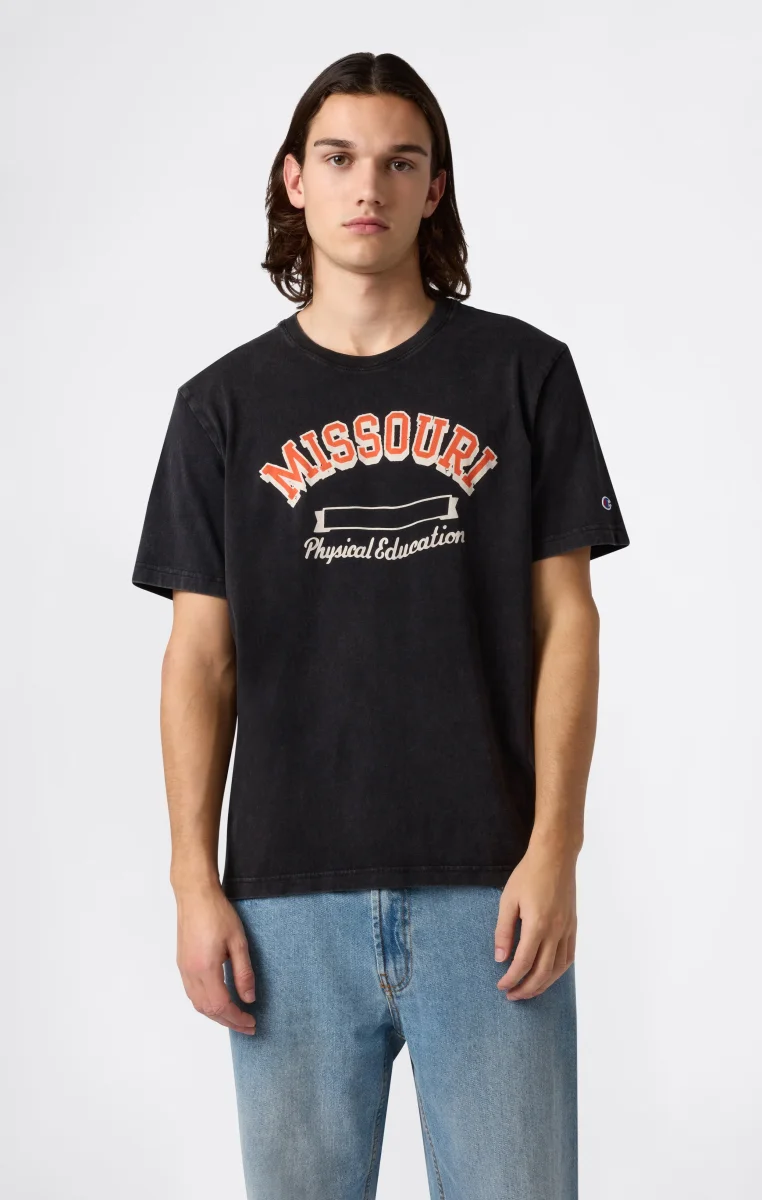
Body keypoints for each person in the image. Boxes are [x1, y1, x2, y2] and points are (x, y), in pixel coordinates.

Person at [131, 50, 630, 1200]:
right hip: (284, 904)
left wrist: (556, 848)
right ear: (294, 179)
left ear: (434, 189)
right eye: (342, 158)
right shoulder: (221, 409)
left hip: (491, 891)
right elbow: (200, 660)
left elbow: (569, 623)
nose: (370, 186)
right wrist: (192, 882)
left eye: (402, 163)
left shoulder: (523, 376)